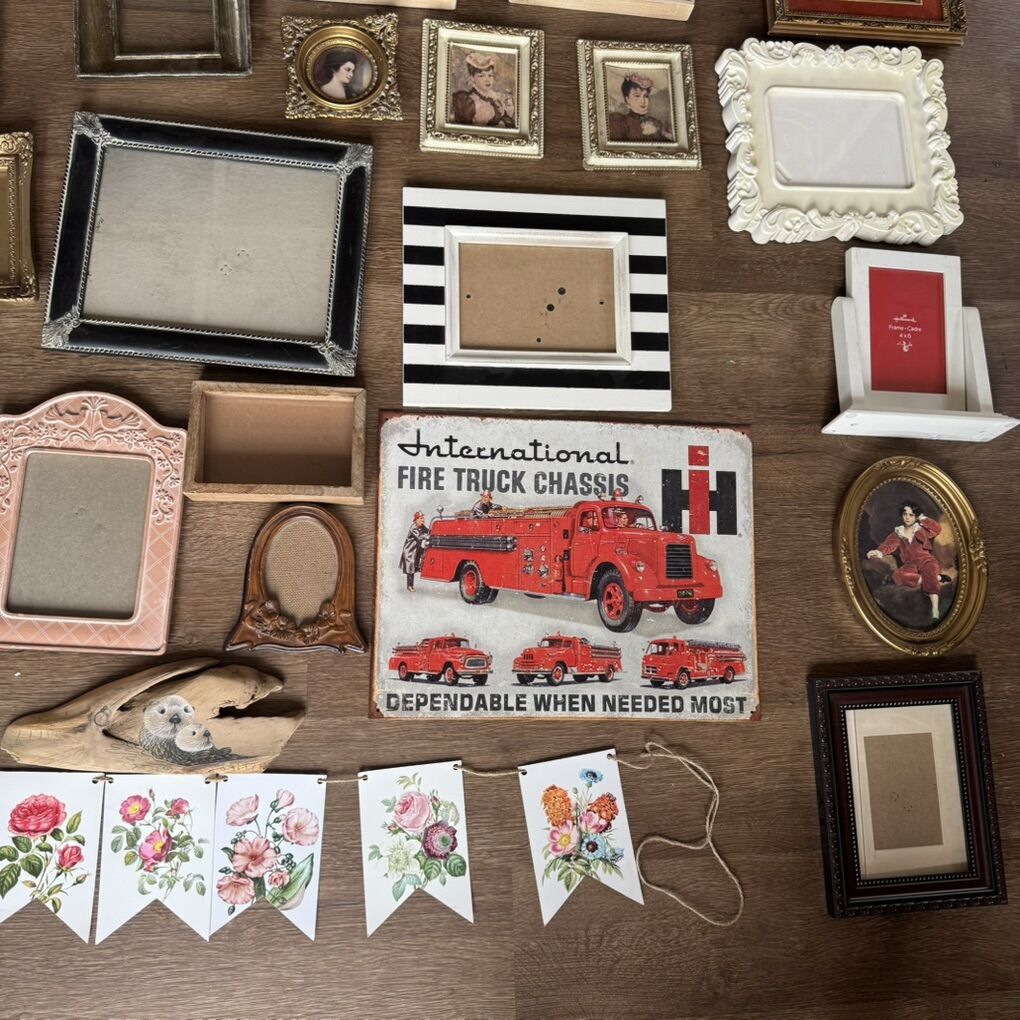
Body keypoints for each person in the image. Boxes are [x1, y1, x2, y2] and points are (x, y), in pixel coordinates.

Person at [867, 502, 946, 622]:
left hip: (926, 561)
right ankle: (933, 578)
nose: (907, 517)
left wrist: (923, 519)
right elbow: (888, 545)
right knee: (897, 575)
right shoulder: (898, 532)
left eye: (911, 514)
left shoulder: (921, 530)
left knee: (929, 570)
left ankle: (935, 608)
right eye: (905, 514)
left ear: (916, 516)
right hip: (910, 565)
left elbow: (937, 529)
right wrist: (878, 552)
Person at [450, 52, 516, 129]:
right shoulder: (469, 102)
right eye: (481, 76)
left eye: (490, 75)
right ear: (472, 78)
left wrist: (508, 113)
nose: (487, 80)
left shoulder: (497, 98)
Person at [607, 73, 673, 143]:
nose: (643, 101)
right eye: (637, 96)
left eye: (646, 96)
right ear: (627, 99)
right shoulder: (619, 121)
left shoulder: (655, 122)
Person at [399, 511, 430, 592]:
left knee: (414, 567)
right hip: (409, 551)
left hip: (415, 551)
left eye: (423, 518)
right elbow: (420, 537)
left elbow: (428, 531)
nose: (423, 520)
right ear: (416, 520)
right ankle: (409, 586)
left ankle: (410, 585)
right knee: (410, 569)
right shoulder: (413, 528)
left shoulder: (422, 526)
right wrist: (428, 536)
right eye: (421, 518)